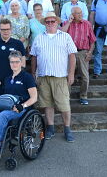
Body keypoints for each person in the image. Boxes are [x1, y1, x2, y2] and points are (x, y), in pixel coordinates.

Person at [30, 12, 77, 142]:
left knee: (64, 104)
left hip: (60, 76)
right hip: (43, 76)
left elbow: (72, 56)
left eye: (52, 21)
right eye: (48, 22)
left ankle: (67, 128)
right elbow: (34, 56)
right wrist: (33, 73)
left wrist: (71, 73)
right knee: (47, 103)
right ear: (45, 24)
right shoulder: (39, 37)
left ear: (57, 23)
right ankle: (50, 127)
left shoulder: (65, 36)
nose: (50, 24)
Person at [61, 6, 96, 105]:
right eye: (77, 13)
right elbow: (61, 34)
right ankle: (66, 96)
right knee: (67, 75)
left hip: (82, 52)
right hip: (69, 53)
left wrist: (90, 52)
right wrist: (69, 22)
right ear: (72, 14)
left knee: (85, 76)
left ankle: (83, 96)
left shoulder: (87, 24)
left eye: (81, 13)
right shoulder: (66, 23)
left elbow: (92, 40)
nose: (80, 15)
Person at [0, 19, 26, 99]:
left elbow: (23, 64)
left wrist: (16, 79)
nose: (5, 31)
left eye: (7, 29)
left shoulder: (18, 44)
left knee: (12, 107)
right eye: (3, 29)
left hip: (13, 82)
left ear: (11, 29)